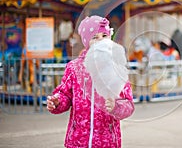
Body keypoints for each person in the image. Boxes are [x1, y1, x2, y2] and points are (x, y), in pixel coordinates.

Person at [47, 15, 135, 148]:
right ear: (86, 41)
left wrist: (116, 107)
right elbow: (65, 94)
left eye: (104, 36)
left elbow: (128, 103)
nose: (100, 40)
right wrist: (57, 101)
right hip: (78, 140)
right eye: (94, 37)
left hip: (107, 142)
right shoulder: (74, 68)